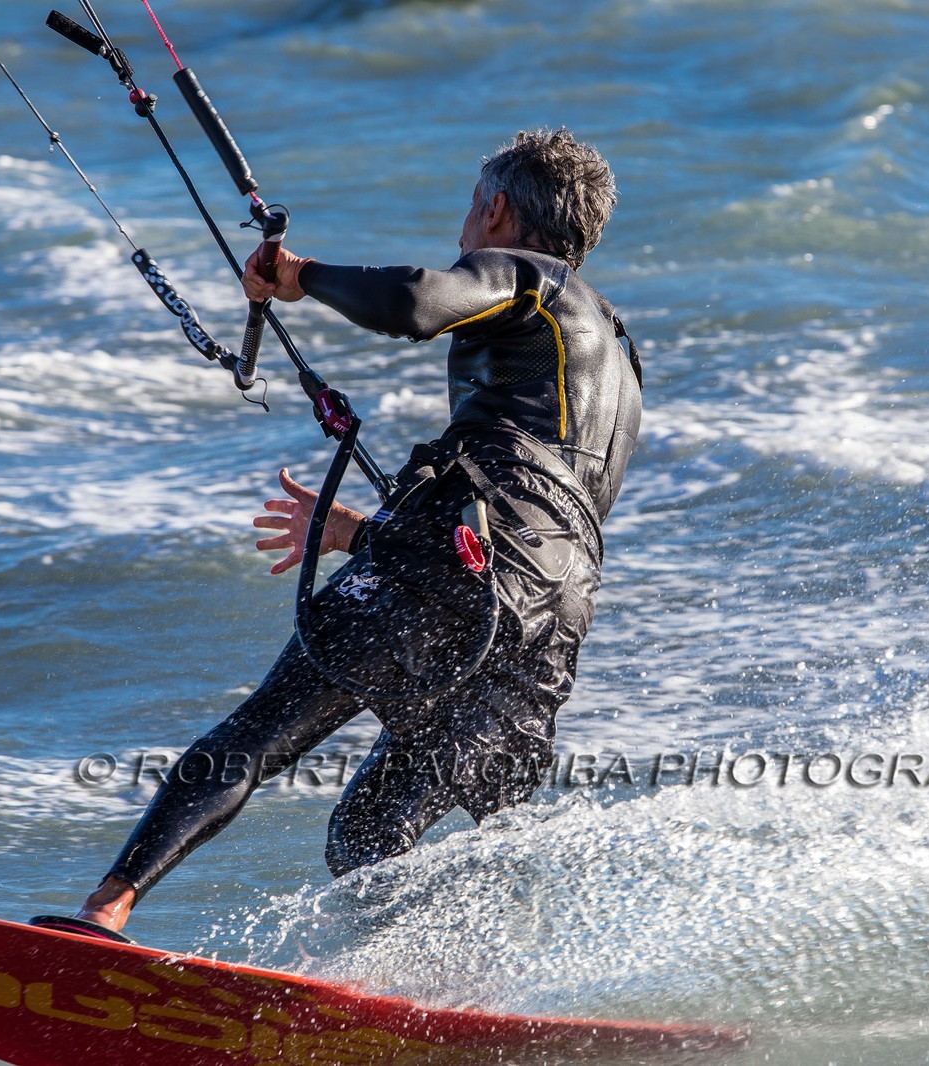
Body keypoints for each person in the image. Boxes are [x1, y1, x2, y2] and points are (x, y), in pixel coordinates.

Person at [60, 128, 642, 936]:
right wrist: (370, 534)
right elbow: (542, 525)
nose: (465, 230)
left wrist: (301, 278)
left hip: (480, 559)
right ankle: (446, 992)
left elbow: (415, 303)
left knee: (258, 733)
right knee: (370, 834)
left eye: (473, 209)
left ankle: (104, 911)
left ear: (499, 208)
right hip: (557, 608)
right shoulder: (613, 348)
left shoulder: (529, 278)